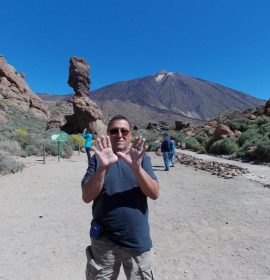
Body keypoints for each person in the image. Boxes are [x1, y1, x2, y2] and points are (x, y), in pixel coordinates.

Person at [81, 115, 159, 279]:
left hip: (136, 239)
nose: (119, 134)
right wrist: (103, 168)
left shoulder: (142, 159)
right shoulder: (97, 160)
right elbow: (87, 196)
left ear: (130, 134)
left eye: (124, 131)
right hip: (104, 242)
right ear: (108, 134)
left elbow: (154, 193)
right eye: (114, 131)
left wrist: (137, 169)